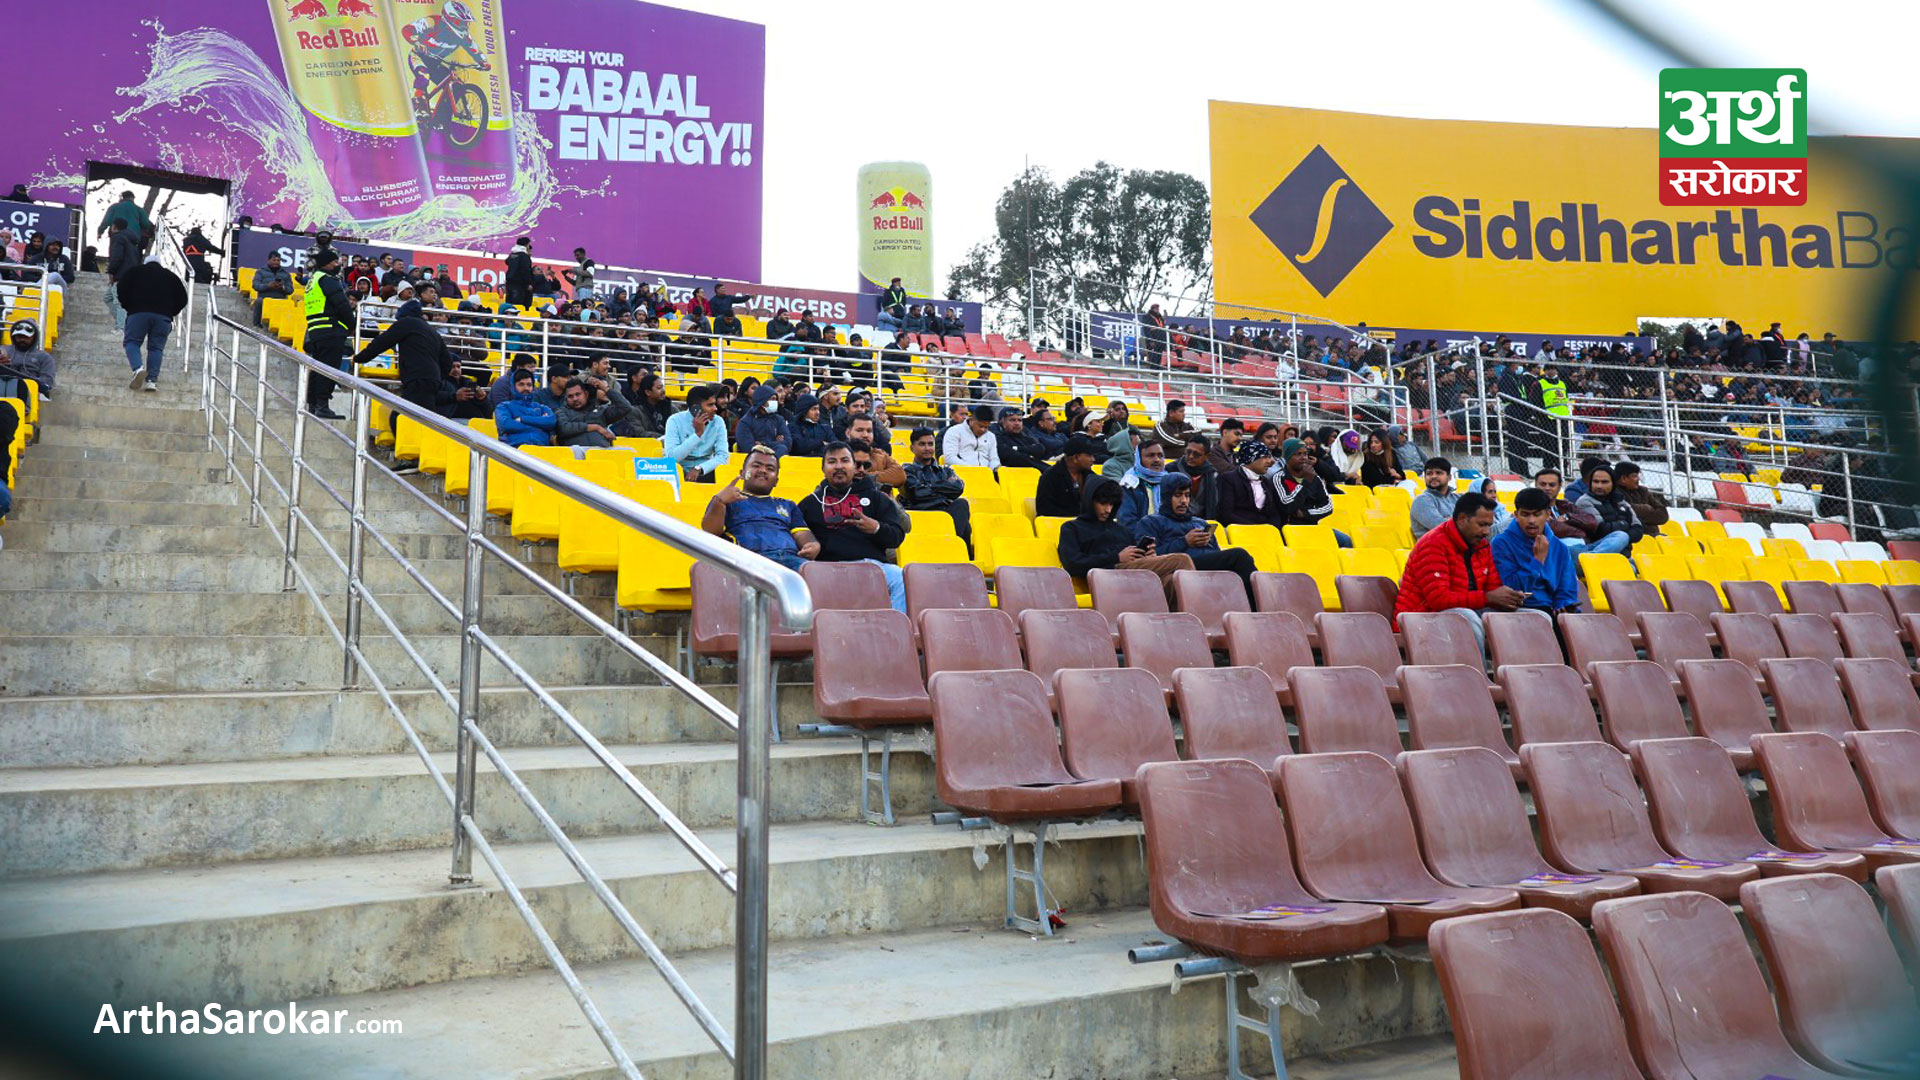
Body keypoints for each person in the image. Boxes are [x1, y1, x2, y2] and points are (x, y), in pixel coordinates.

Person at [1395, 492, 1525, 656]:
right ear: (1462, 519)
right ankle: (1477, 672)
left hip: (1466, 610)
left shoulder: (1482, 546)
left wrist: (1508, 598)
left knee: (1534, 617)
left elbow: (1492, 588)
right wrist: (1488, 598)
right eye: (1482, 525)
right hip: (1420, 618)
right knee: (1466, 618)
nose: (1487, 531)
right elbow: (1439, 600)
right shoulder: (1433, 544)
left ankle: (1517, 671)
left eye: (1489, 525)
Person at [797, 441, 910, 612]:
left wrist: (876, 528)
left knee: (900, 577)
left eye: (845, 460)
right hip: (828, 568)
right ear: (823, 468)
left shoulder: (877, 498)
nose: (839, 466)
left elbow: (896, 537)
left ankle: (895, 626)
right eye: (832, 461)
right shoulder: (810, 503)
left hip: (872, 566)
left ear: (854, 466)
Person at [1058, 476, 1195, 601]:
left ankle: (1180, 617)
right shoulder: (1072, 528)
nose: (1108, 510)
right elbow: (1072, 563)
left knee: (1170, 581)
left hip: (1132, 575)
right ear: (1090, 501)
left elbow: (1133, 556)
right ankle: (1199, 606)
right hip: (1106, 574)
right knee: (1181, 560)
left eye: (1111, 504)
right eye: (1103, 503)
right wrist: (1116, 558)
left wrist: (1146, 555)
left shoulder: (1121, 530)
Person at [1131, 474, 1257, 594]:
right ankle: (1259, 602)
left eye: (1187, 495)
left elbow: (1217, 553)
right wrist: (1185, 541)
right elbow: (1151, 559)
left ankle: (1253, 602)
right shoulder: (1151, 522)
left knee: (1239, 569)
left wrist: (1207, 543)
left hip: (1208, 568)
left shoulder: (1200, 523)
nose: (1183, 501)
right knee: (1239, 556)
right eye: (1177, 495)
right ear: (1166, 497)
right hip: (1181, 567)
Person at [704, 447, 819, 571]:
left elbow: (801, 533)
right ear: (742, 473)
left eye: (770, 469)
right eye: (756, 465)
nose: (763, 470)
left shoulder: (788, 505)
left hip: (791, 560)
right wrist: (719, 501)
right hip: (749, 560)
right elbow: (710, 532)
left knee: (818, 573)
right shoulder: (728, 501)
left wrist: (811, 544)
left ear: (776, 481)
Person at [352, 297, 456, 422]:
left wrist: (359, 358)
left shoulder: (406, 323)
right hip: (432, 380)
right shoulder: (432, 331)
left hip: (417, 379)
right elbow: (448, 361)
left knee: (400, 418)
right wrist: (438, 376)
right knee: (422, 418)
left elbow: (382, 342)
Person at [1489, 487, 1580, 617]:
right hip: (1522, 610)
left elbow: (1567, 586)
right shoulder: (1501, 543)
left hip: (1554, 610)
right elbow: (1512, 588)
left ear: (1548, 515)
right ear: (1516, 515)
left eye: (1537, 514)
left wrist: (1563, 603)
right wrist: (1537, 561)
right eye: (1525, 514)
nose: (1531, 521)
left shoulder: (1560, 547)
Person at [116, 256, 187, 393]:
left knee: (132, 342)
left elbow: (121, 289)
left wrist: (128, 306)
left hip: (138, 313)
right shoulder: (171, 277)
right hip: (163, 317)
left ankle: (138, 369)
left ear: (145, 263)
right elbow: (183, 298)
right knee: (156, 348)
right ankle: (151, 381)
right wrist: (170, 312)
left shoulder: (134, 272)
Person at [297, 248, 354, 418]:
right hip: (330, 329)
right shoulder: (328, 279)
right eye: (335, 262)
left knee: (317, 369)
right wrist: (352, 324)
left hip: (315, 330)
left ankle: (313, 404)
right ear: (327, 264)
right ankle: (322, 405)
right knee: (328, 369)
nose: (338, 265)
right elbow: (342, 304)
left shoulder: (313, 280)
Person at [898, 426, 971, 543]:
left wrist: (929, 487)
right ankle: (953, 544)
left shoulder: (945, 470)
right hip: (920, 514)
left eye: (930, 444)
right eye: (922, 444)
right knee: (964, 523)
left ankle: (953, 544)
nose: (927, 448)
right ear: (912, 448)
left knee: (961, 504)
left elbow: (958, 488)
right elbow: (917, 493)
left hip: (944, 513)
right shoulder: (906, 470)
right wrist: (944, 489)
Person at [1273, 438, 1348, 545]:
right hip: (1289, 529)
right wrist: (1305, 482)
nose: (1303, 457)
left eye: (1305, 454)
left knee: (1345, 541)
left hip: (1312, 526)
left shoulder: (1314, 478)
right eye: (1298, 454)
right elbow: (1288, 506)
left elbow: (1328, 506)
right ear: (1287, 457)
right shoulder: (1279, 478)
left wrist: (1305, 513)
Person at [662, 383, 730, 481]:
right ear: (695, 408)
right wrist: (697, 435)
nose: (715, 408)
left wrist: (700, 468)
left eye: (714, 404)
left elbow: (723, 457)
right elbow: (672, 458)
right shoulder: (674, 420)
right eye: (710, 405)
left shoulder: (718, 421)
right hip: (678, 471)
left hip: (706, 471)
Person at [1573, 465, 1643, 555]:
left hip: (1623, 556)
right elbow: (1601, 529)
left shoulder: (1620, 501)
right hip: (1596, 548)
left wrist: (1623, 535)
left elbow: (1638, 530)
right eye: (1595, 481)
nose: (1599, 486)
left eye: (1604, 482)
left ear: (1613, 483)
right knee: (1621, 536)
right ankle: (1593, 558)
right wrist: (1625, 524)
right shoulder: (1584, 502)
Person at [1534, 467, 1605, 555]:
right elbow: (1550, 528)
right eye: (1543, 484)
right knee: (1575, 550)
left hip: (1585, 546)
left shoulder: (1566, 505)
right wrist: (1580, 530)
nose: (1547, 488)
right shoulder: (1532, 508)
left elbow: (1592, 521)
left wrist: (1567, 517)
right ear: (1536, 485)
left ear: (1559, 487)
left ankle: (1590, 556)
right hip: (1560, 550)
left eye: (1552, 485)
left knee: (1618, 536)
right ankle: (1588, 558)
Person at [1216, 439, 1283, 525]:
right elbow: (1226, 514)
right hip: (1238, 530)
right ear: (1250, 458)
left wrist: (1272, 528)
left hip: (1265, 531)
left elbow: (1274, 514)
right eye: (1265, 457)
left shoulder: (1267, 483)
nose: (1269, 462)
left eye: (1269, 457)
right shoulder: (1229, 479)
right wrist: (1254, 528)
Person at [1118, 440, 1180, 528]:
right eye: (1151, 455)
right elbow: (1127, 522)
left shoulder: (1171, 482)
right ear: (1139, 459)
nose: (1157, 460)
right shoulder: (1129, 484)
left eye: (1160, 456)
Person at [1036, 434, 1100, 518]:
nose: (1093, 459)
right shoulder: (1050, 476)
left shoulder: (1091, 476)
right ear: (1075, 458)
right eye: (1089, 456)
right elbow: (1044, 510)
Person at [493, 369, 557, 447]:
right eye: (521, 384)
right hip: (514, 449)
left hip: (541, 449)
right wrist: (540, 426)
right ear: (513, 386)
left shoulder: (541, 407)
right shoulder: (504, 406)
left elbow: (551, 421)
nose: (526, 388)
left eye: (529, 385)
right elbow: (506, 425)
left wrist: (522, 419)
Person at [101, 219, 142, 331]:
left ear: (114, 226)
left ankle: (121, 328)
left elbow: (116, 257)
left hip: (121, 275)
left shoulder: (118, 238)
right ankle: (123, 322)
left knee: (119, 302)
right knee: (107, 298)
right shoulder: (132, 241)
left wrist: (111, 271)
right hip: (132, 275)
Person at [0, 319, 57, 398]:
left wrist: (27, 380)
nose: (22, 339)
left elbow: (47, 382)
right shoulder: (3, 350)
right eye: (19, 336)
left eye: (26, 337)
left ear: (34, 337)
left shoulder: (45, 358)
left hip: (30, 393)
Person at [1614, 460, 1671, 535]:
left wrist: (1639, 518)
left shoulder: (1643, 491)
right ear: (1623, 478)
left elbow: (1663, 515)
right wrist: (1647, 509)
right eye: (1635, 476)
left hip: (1653, 535)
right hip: (1632, 536)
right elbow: (1626, 512)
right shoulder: (1614, 492)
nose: (1638, 479)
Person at [1169, 434, 1219, 520]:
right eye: (1188, 452)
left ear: (1206, 456)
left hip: (1202, 521)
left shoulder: (1212, 474)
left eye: (1196, 454)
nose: (1191, 456)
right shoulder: (1171, 470)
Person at [1408, 457, 1459, 540]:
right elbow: (1442, 527)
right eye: (1429, 473)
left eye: (1438, 473)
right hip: (1433, 546)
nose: (1433, 476)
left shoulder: (1456, 498)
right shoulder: (1422, 501)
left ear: (1449, 477)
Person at [732, 384, 789, 457]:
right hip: (754, 460)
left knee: (781, 448)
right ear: (762, 401)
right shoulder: (745, 422)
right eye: (772, 399)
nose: (775, 402)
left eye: (775, 399)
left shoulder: (779, 419)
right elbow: (748, 448)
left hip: (776, 458)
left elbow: (788, 443)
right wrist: (776, 443)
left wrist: (763, 444)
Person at [942, 404, 1001, 469]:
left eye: (986, 427)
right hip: (961, 472)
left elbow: (994, 459)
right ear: (971, 420)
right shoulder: (954, 431)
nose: (983, 430)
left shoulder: (991, 436)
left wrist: (994, 469)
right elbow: (950, 458)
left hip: (986, 473)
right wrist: (971, 470)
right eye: (980, 426)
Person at [251, 251, 294, 327]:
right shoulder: (260, 271)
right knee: (259, 302)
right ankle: (256, 325)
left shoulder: (285, 274)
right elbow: (255, 285)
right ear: (269, 260)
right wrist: (268, 286)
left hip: (280, 299)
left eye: (278, 260)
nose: (276, 262)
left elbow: (290, 290)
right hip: (264, 298)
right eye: (274, 260)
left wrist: (282, 287)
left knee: (290, 304)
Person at [1100, 401, 1138, 478]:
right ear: (1111, 412)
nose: (1121, 411)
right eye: (1117, 409)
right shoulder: (1108, 426)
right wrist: (1109, 418)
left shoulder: (1133, 428)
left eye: (1123, 409)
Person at [503, 237, 534, 308]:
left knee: (509, 305)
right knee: (518, 306)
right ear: (526, 245)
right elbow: (525, 271)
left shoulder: (512, 254)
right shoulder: (524, 256)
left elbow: (507, 261)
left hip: (509, 283)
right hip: (519, 284)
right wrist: (528, 283)